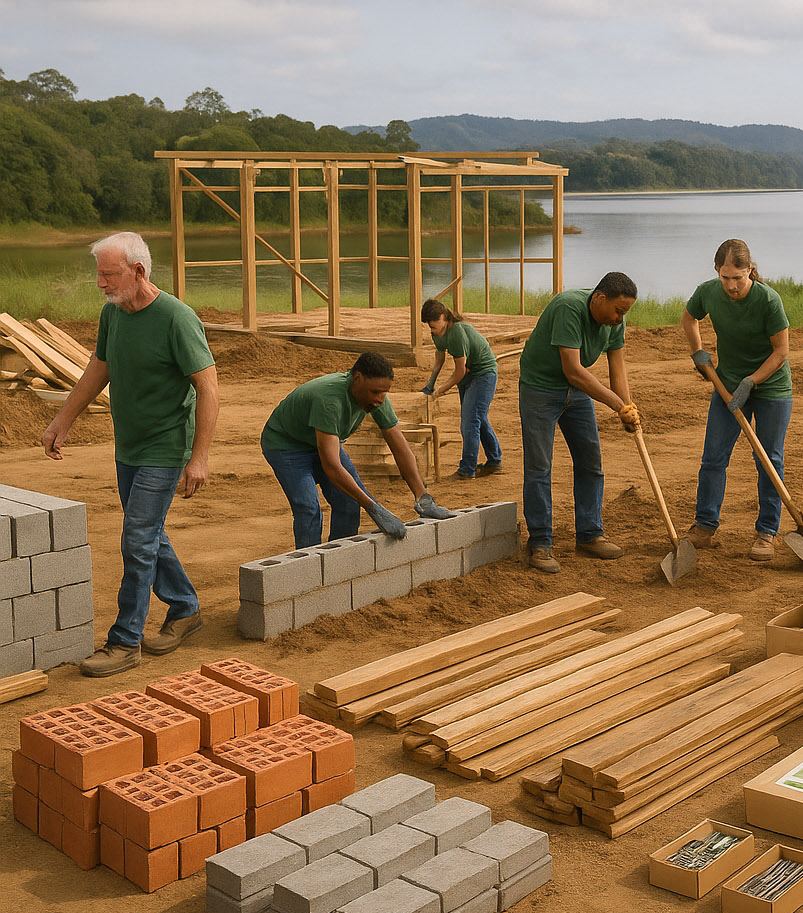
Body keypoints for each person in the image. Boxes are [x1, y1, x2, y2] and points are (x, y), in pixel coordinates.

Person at [41, 232, 219, 676]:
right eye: (99, 274)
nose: (100, 282)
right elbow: (98, 369)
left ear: (138, 271)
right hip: (130, 446)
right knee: (149, 534)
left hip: (165, 446)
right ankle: (185, 608)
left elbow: (208, 387)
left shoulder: (177, 318)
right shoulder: (114, 313)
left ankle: (125, 642)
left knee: (137, 539)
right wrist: (64, 419)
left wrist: (199, 458)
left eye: (108, 273)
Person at [260, 352, 454, 550]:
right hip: (286, 445)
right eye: (375, 392)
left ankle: (338, 563)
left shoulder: (375, 397)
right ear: (358, 378)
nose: (380, 398)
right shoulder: (330, 399)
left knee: (349, 504)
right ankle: (308, 572)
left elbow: (400, 446)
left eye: (384, 392)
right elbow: (332, 467)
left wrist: (422, 496)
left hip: (321, 441)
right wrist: (373, 507)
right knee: (308, 508)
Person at [518, 271, 640, 574]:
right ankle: (541, 542)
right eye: (618, 310)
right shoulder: (568, 307)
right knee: (539, 467)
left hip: (577, 392)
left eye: (625, 312)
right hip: (540, 388)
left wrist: (627, 408)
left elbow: (618, 367)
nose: (619, 318)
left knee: (590, 463)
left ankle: (589, 534)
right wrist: (614, 404)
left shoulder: (615, 321)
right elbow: (573, 369)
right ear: (599, 298)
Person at [680, 239, 792, 562]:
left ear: (750, 271)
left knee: (768, 460)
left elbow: (781, 352)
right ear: (718, 271)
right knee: (713, 457)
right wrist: (698, 352)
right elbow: (689, 319)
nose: (731, 285)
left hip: (771, 388)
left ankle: (767, 531)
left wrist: (752, 381)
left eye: (738, 277)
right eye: (725, 277)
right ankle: (704, 525)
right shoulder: (708, 292)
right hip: (727, 386)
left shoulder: (768, 300)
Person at [420, 299, 501, 480]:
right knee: (478, 418)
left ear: (443, 317)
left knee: (469, 422)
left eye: (433, 324)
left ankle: (467, 469)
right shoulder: (438, 332)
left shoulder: (456, 332)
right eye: (429, 326)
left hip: (483, 374)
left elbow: (459, 371)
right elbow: (440, 359)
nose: (430, 328)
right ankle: (495, 461)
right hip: (469, 374)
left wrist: (440, 390)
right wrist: (430, 384)